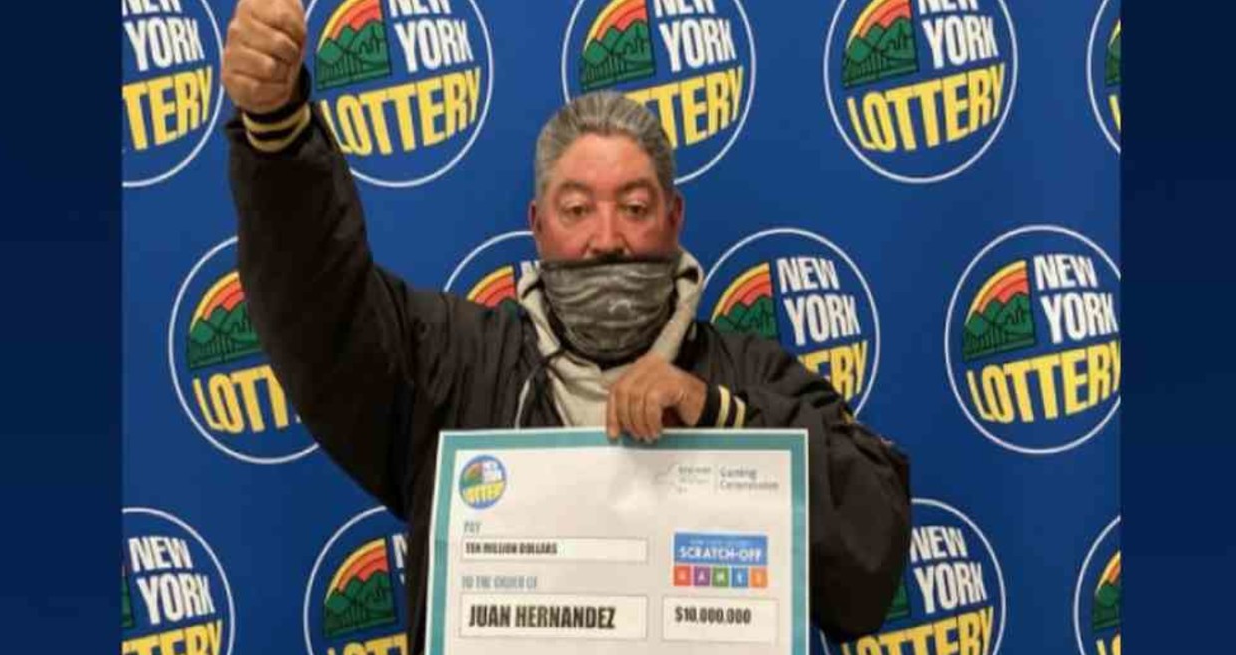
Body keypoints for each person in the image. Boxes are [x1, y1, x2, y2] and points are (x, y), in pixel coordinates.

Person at [221, 0, 910, 651]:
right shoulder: (450, 368)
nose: (606, 239)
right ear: (538, 226)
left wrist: (719, 416)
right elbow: (320, 302)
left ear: (674, 220)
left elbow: (868, 563)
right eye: (577, 210)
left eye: (634, 207)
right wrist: (279, 132)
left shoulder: (749, 376)